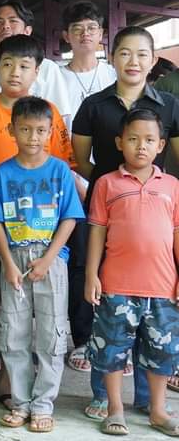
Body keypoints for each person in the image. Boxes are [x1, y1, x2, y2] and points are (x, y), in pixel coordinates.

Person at [0, 34, 75, 406]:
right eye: (7, 64)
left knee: (23, 309)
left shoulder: (48, 113)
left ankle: (11, 382)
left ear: (37, 71)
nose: (15, 72)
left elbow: (62, 170)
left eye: (24, 66)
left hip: (33, 233)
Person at [70, 25, 179, 419]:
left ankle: (149, 402)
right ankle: (104, 397)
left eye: (142, 54)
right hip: (107, 204)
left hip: (156, 208)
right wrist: (111, 183)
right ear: (112, 57)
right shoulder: (93, 105)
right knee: (108, 308)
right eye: (125, 53)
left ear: (152, 61)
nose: (133, 61)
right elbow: (83, 160)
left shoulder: (170, 105)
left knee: (155, 316)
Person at [0, 97, 83, 433]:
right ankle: (20, 402)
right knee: (13, 333)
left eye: (41, 130)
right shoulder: (3, 172)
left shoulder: (59, 170)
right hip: (14, 258)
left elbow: (70, 218)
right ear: (11, 130)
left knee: (51, 334)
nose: (33, 137)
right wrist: (7, 263)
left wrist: (49, 258)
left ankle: (43, 404)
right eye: (25, 129)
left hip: (50, 259)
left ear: (51, 132)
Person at [85, 109, 179, 437]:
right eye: (134, 139)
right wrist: (91, 275)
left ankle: (157, 410)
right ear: (119, 142)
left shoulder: (172, 186)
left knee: (162, 352)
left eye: (150, 140)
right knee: (111, 350)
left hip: (163, 287)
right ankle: (115, 408)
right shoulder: (107, 184)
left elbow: (177, 234)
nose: (141, 146)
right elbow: (97, 231)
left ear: (161, 145)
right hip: (116, 285)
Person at [55, 1, 113, 376]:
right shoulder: (52, 76)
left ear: (101, 34)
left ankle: (115, 340)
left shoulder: (113, 74)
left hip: (111, 182)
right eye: (77, 28)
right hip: (68, 183)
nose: (85, 34)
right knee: (79, 261)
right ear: (66, 36)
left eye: (91, 27)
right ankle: (82, 338)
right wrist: (76, 180)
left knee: (114, 259)